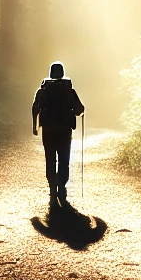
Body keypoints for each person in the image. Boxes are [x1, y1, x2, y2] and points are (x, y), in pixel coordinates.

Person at [31, 61, 85, 207]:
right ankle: (61, 186)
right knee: (63, 159)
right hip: (64, 130)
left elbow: (35, 107)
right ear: (62, 73)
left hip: (48, 129)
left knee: (50, 158)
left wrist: (34, 126)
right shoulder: (68, 90)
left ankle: (52, 187)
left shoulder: (43, 90)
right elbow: (79, 109)